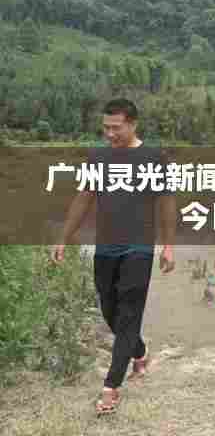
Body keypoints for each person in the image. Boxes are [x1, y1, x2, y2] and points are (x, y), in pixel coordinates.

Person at [50, 98, 176, 416]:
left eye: (116, 128)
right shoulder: (98, 157)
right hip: (105, 246)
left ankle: (111, 387)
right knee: (109, 310)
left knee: (129, 311)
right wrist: (63, 237)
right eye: (105, 127)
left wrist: (169, 245)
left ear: (133, 124)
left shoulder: (154, 158)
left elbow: (166, 202)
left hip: (139, 247)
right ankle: (139, 351)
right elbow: (84, 197)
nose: (109, 134)